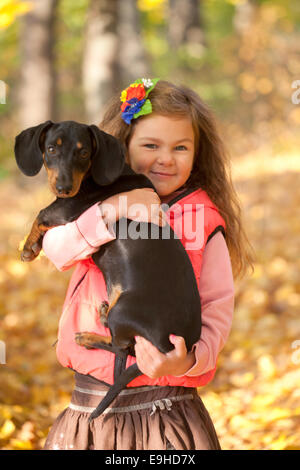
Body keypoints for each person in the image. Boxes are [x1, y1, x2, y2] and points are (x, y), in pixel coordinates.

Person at [42, 79, 253, 450]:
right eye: (151, 145)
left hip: (165, 408)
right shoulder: (97, 201)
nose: (165, 158)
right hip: (91, 406)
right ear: (122, 148)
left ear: (198, 154)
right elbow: (56, 249)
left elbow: (217, 309)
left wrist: (188, 360)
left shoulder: (201, 218)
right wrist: (112, 210)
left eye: (181, 147)